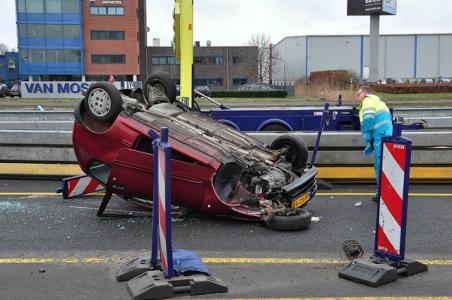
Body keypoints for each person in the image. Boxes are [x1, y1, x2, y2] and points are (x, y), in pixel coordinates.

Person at [356, 86, 393, 201]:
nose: (358, 98)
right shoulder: (377, 101)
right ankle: (384, 192)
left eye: (359, 95)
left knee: (380, 165)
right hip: (384, 134)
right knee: (382, 164)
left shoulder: (368, 100)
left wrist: (367, 134)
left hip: (379, 135)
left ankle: (384, 194)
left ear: (365, 93)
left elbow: (368, 117)